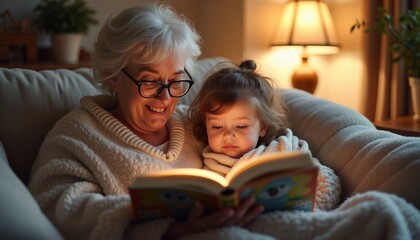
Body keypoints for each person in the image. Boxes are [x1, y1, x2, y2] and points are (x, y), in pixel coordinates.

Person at [28, 4, 263, 240]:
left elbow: (262, 136)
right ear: (113, 77)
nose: (166, 97)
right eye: (149, 81)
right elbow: (59, 205)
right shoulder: (77, 134)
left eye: (175, 81)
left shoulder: (195, 124)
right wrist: (173, 229)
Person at [189, 59, 341, 210]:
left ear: (263, 126)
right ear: (206, 126)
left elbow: (325, 179)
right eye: (217, 126)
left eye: (240, 126)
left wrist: (315, 210)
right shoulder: (208, 168)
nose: (228, 135)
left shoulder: (283, 150)